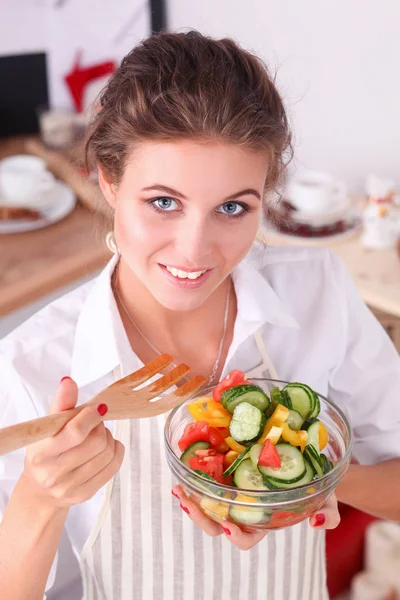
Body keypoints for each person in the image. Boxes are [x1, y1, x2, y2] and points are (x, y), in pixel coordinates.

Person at [0, 30, 399, 600]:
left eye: (232, 208)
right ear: (109, 182)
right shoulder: (31, 364)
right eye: (164, 202)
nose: (194, 250)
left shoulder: (318, 292)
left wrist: (310, 489)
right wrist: (41, 498)